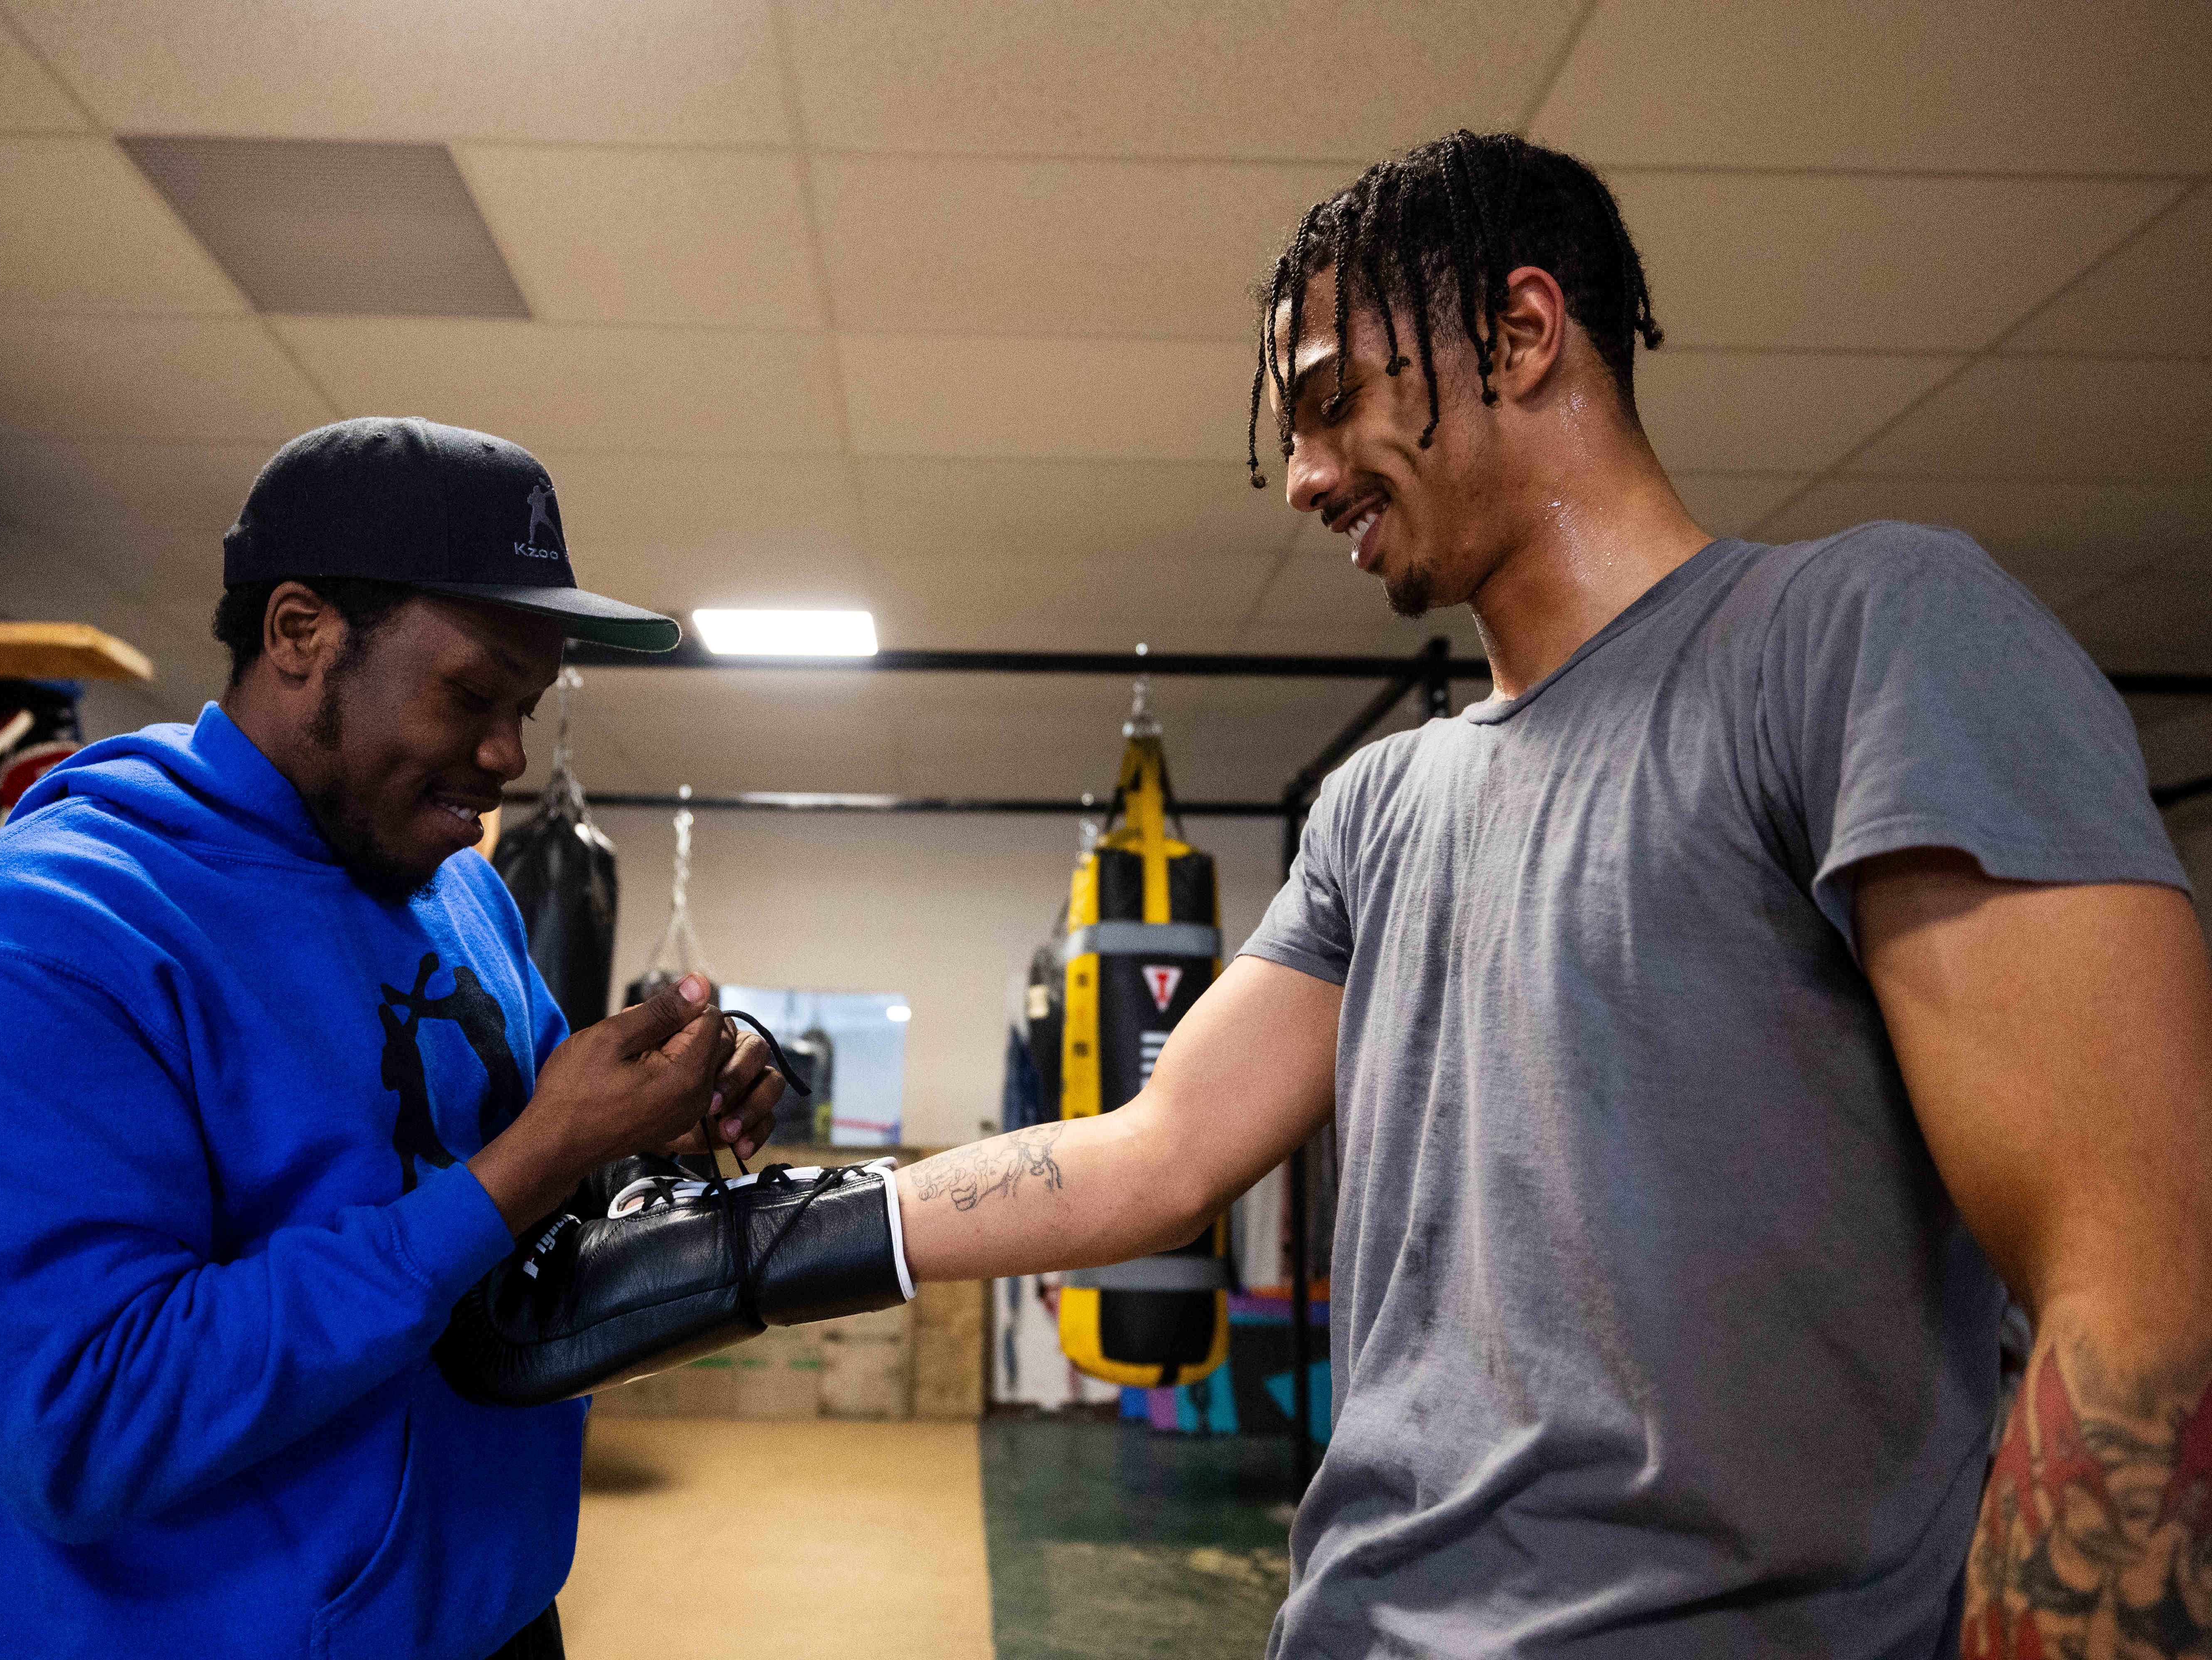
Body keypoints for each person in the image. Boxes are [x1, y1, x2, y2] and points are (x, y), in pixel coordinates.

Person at [893, 132, 2212, 1658]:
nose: (1306, 476)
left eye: (1332, 402)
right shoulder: (1380, 807)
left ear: (1521, 334)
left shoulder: (1865, 641)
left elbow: (2139, 1280)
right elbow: (1159, 1152)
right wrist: (774, 1242)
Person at [0, 417, 789, 1660]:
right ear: (301, 634)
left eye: (527, 705)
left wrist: (646, 1132)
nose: (508, 753)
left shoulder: (461, 894)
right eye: (472, 694)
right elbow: (86, 1426)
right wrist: (529, 1162)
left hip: (494, 1615)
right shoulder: (27, 943)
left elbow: (530, 1201)